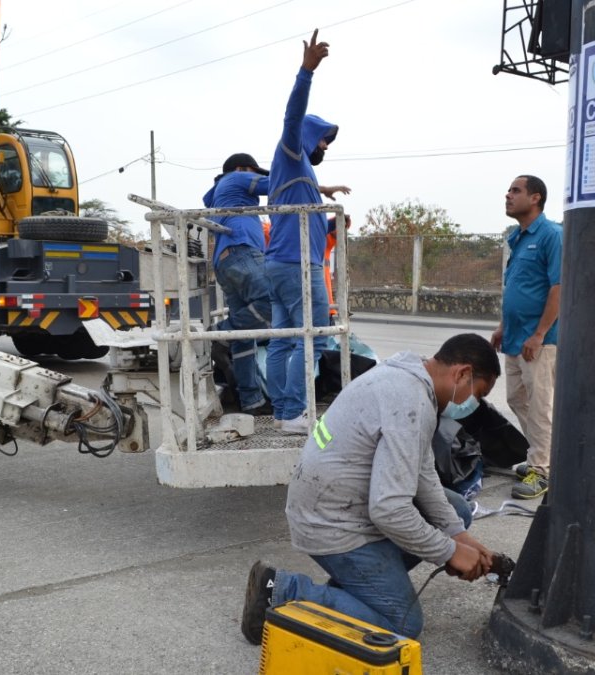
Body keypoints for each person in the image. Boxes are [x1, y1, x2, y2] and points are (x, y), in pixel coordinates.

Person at [240, 333, 500, 644]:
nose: (471, 404)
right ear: (462, 374)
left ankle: (356, 589)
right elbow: (389, 509)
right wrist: (448, 551)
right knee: (401, 625)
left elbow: (422, 472)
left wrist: (457, 534)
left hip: (338, 503)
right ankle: (283, 591)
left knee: (455, 510)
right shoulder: (410, 403)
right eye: (477, 393)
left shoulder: (409, 377)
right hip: (331, 523)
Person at [264, 29, 350, 435]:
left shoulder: (301, 173)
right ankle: (297, 411)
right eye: (324, 140)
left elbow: (306, 213)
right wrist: (306, 72)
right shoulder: (291, 151)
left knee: (282, 340)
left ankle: (283, 412)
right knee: (310, 336)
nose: (326, 146)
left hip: (279, 264)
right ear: (308, 138)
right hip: (297, 266)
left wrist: (327, 203)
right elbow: (292, 117)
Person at [490, 175, 562, 500]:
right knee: (517, 400)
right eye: (509, 190)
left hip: (540, 341)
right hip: (516, 337)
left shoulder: (551, 236)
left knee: (540, 406)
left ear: (535, 198)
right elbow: (516, 287)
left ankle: (542, 470)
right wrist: (504, 327)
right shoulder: (516, 237)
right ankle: (541, 454)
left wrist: (539, 333)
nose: (508, 195)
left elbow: (559, 288)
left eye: (515, 190)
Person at [203, 153, 273, 415]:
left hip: (226, 260)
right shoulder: (237, 177)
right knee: (271, 301)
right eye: (254, 172)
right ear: (242, 169)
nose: (256, 177)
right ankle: (221, 334)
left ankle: (252, 401)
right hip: (242, 251)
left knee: (244, 338)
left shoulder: (220, 193)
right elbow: (278, 185)